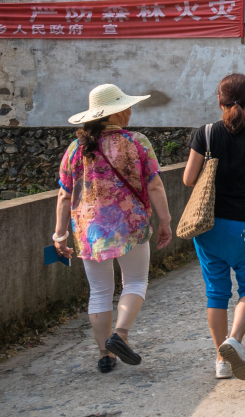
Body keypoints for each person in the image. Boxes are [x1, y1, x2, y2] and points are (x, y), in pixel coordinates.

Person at [54, 84, 173, 374]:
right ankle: (120, 333)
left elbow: (64, 195)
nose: (131, 111)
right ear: (116, 112)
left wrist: (60, 234)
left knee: (99, 292)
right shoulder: (137, 142)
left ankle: (105, 355)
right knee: (134, 282)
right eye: (127, 107)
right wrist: (165, 220)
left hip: (89, 233)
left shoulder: (76, 148)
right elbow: (155, 184)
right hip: (129, 227)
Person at [182, 73, 245, 381]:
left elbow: (188, 179)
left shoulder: (206, 133)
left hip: (209, 225)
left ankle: (221, 361)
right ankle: (234, 341)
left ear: (219, 100)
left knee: (216, 292)